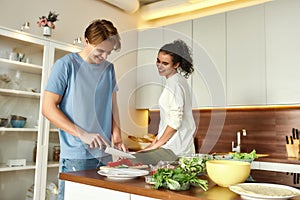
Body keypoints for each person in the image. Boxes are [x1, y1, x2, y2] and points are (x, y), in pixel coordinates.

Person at [42, 19, 126, 200]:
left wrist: (117, 134)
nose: (104, 56)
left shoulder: (109, 69)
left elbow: (112, 104)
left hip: (104, 153)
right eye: (100, 51)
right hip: (76, 155)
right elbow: (48, 108)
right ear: (86, 41)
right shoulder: (65, 65)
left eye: (108, 52)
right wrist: (82, 134)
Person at [140, 39, 196, 157]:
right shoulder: (177, 81)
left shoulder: (175, 83)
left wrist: (157, 145)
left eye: (165, 63)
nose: (159, 66)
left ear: (176, 65)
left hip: (175, 149)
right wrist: (157, 138)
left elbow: (175, 121)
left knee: (135, 161)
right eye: (158, 61)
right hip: (176, 147)